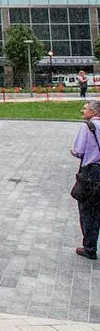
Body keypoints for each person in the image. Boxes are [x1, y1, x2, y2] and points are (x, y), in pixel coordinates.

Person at [70, 99, 100, 260]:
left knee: (89, 212)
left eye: (85, 108)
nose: (83, 111)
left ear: (94, 112)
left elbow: (78, 150)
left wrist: (74, 152)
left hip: (92, 173)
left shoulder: (87, 127)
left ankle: (90, 248)